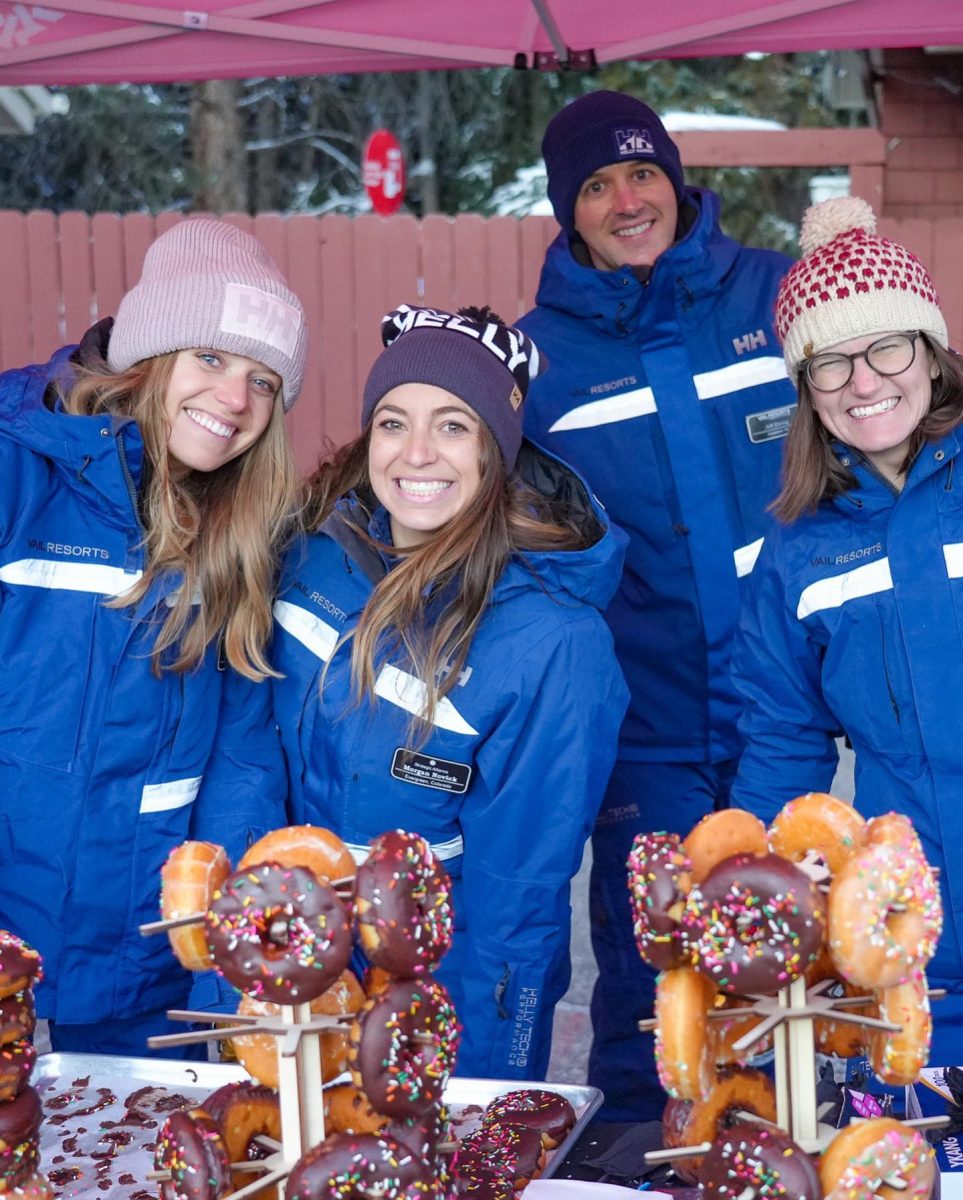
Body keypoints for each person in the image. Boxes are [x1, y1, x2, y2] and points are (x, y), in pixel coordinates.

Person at [517, 89, 798, 1118]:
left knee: (790, 945)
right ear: (567, 211)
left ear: (675, 178)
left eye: (641, 172)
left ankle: (785, 1136)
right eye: (595, 186)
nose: (626, 200)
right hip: (648, 723)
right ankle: (640, 1150)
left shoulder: (775, 295)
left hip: (789, 714)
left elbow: (894, 392)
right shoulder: (538, 361)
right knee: (653, 960)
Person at [270, 302, 629, 1080]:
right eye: (394, 423)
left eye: (454, 426)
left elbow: (518, 899)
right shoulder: (310, 560)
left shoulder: (552, 643)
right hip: (293, 967)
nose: (417, 453)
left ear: (496, 452)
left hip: (434, 1000)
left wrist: (483, 1085)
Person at [0, 218, 305, 1056]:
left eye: (264, 381)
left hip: (141, 962)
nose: (235, 400)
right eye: (210, 357)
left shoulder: (242, 535)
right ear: (150, 352)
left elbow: (241, 766)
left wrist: (218, 952)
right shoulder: (18, 470)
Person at [730, 194, 963, 1064]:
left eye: (885, 348)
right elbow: (783, 742)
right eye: (829, 365)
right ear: (805, 390)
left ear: (931, 356)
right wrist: (750, 887)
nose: (864, 383)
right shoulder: (797, 552)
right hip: (912, 929)